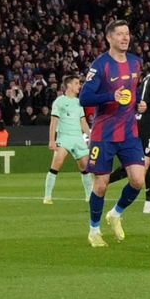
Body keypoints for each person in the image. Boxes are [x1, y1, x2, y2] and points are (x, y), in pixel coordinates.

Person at [79, 20, 146, 247]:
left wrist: (139, 105)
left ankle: (116, 214)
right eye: (120, 34)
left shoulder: (136, 63)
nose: (125, 38)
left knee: (138, 180)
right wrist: (111, 97)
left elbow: (131, 95)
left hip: (129, 132)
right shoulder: (100, 65)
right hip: (104, 133)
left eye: (127, 34)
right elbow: (84, 98)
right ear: (109, 38)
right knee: (101, 184)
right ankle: (94, 231)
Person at [110, 49, 150, 213]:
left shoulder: (149, 76)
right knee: (142, 164)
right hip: (147, 124)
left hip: (144, 120)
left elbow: (142, 97)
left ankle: (149, 204)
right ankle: (103, 180)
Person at [43, 75, 92, 203]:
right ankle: (47, 196)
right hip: (64, 137)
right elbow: (53, 122)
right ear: (69, 85)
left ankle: (89, 196)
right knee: (56, 166)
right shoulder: (59, 102)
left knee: (85, 168)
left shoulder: (79, 102)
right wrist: (52, 140)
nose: (79, 86)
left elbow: (83, 122)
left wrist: (91, 136)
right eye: (76, 83)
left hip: (78, 138)